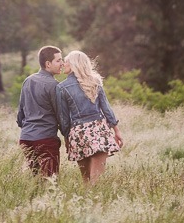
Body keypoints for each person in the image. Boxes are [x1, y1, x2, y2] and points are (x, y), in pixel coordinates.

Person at [56, 50, 123, 184]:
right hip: (98, 131)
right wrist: (116, 130)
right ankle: (97, 203)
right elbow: (106, 108)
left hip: (78, 134)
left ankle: (87, 203)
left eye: (66, 61)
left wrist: (67, 139)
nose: (63, 64)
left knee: (86, 181)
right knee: (96, 180)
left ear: (74, 64)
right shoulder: (95, 81)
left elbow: (63, 119)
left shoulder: (61, 87)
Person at [16, 45, 63, 177]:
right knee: (50, 181)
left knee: (35, 180)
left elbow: (20, 113)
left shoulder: (28, 80)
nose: (62, 63)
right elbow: (61, 115)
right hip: (46, 139)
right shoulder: (54, 85)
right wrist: (67, 134)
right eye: (58, 60)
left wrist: (27, 128)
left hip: (26, 139)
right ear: (48, 64)